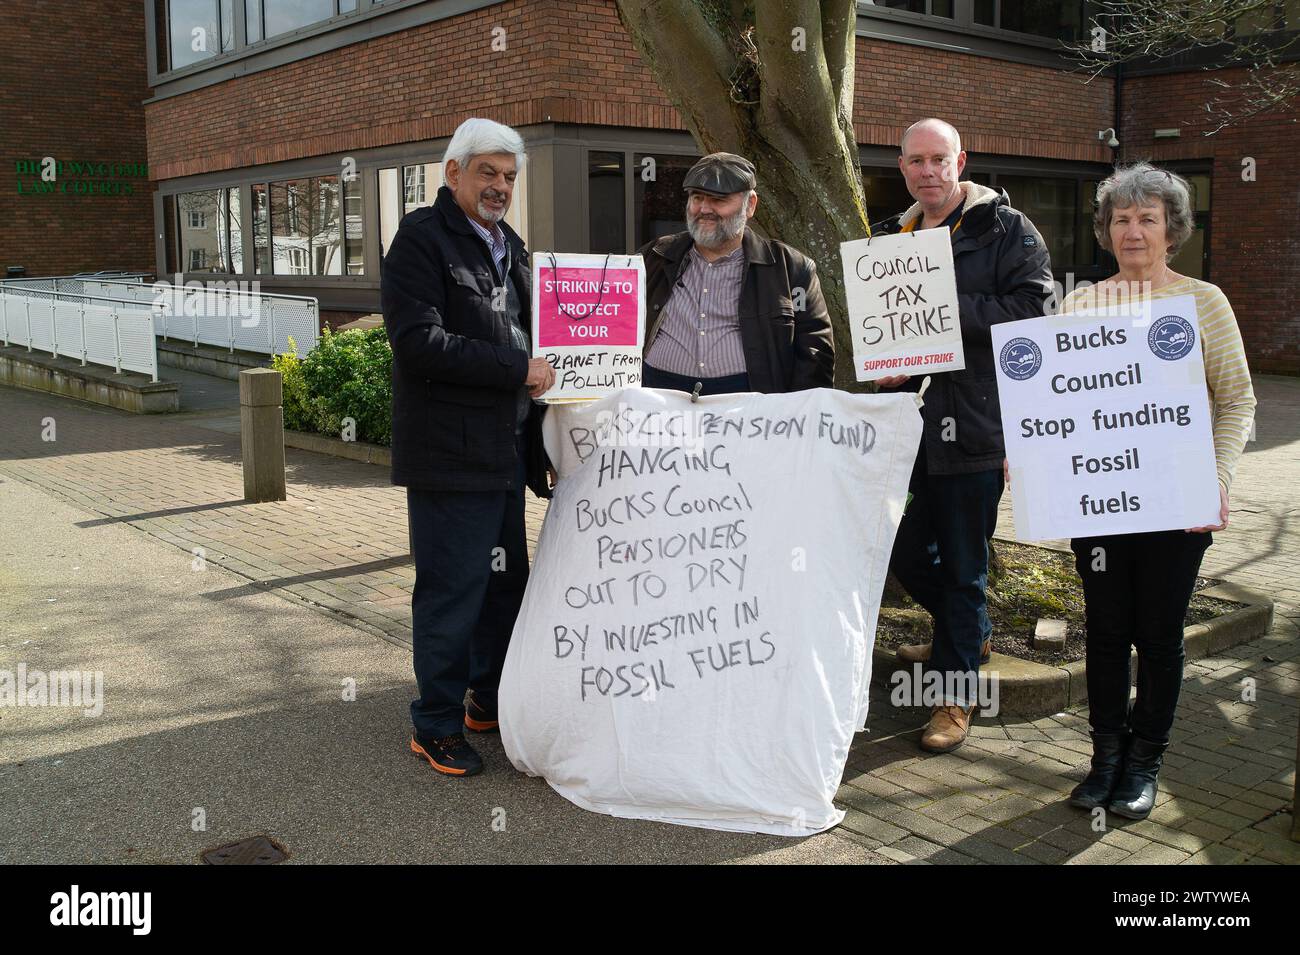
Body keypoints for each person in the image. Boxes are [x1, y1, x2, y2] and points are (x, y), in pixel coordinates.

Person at [1056, 163, 1255, 819]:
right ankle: (1104, 760)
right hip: (1102, 504)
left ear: (1173, 230)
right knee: (1107, 632)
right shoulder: (1080, 303)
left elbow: (1236, 401)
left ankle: (1145, 762)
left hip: (1177, 502)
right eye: (1121, 218)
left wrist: (1218, 480)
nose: (1133, 229)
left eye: (1147, 218)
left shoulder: (1204, 302)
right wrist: (1039, 466)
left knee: (1159, 634)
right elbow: (1058, 404)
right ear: (1106, 230)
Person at [381, 118, 556, 777]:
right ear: (452, 173)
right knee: (453, 591)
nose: (500, 186)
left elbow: (546, 336)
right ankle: (435, 723)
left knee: (504, 585)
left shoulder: (511, 245)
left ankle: (488, 699)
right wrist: (517, 368)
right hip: (449, 456)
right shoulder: (421, 241)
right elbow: (419, 344)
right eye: (487, 172)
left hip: (504, 452)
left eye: (509, 176)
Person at [873, 119, 1054, 753]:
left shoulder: (1005, 229)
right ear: (901, 166)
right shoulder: (888, 237)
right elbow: (889, 332)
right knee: (901, 547)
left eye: (938, 159)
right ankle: (961, 633)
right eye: (915, 161)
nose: (927, 171)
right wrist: (891, 371)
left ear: (961, 162)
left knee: (965, 564)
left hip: (976, 421)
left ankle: (954, 697)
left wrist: (944, 307)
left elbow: (1034, 315)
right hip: (904, 428)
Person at [638, 152, 834, 395]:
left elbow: (815, 355)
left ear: (750, 205)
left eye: (719, 200)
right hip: (657, 403)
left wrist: (795, 418)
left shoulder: (791, 269)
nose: (704, 209)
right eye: (697, 198)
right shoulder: (653, 257)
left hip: (748, 413)